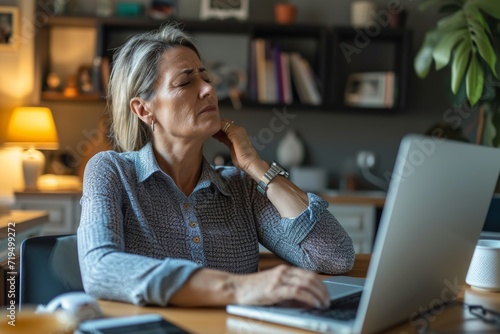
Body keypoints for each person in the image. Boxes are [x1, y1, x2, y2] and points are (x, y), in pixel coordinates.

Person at [77, 22, 355, 309]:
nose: (209, 88)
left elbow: (336, 257)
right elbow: (100, 270)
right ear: (143, 109)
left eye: (206, 77)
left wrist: (257, 167)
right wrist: (236, 287)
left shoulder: (240, 187)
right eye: (186, 82)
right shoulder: (111, 171)